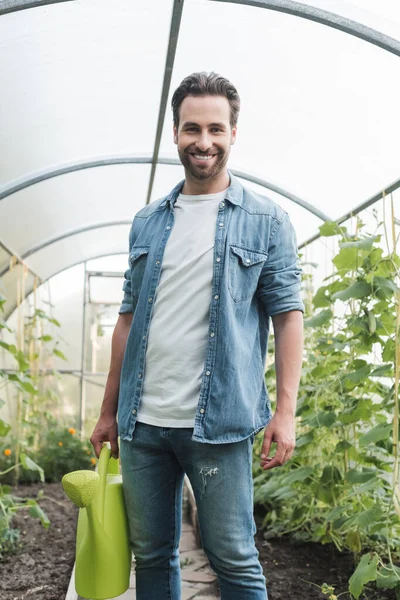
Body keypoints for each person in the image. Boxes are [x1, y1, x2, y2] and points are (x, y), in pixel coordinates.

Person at [90, 72, 304, 600]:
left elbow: (288, 315)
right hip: (144, 424)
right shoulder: (148, 222)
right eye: (192, 128)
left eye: (215, 128)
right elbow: (127, 319)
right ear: (175, 133)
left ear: (234, 133)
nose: (202, 141)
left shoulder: (266, 221)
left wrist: (286, 411)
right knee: (152, 556)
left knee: (233, 556)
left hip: (220, 423)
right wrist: (108, 410)